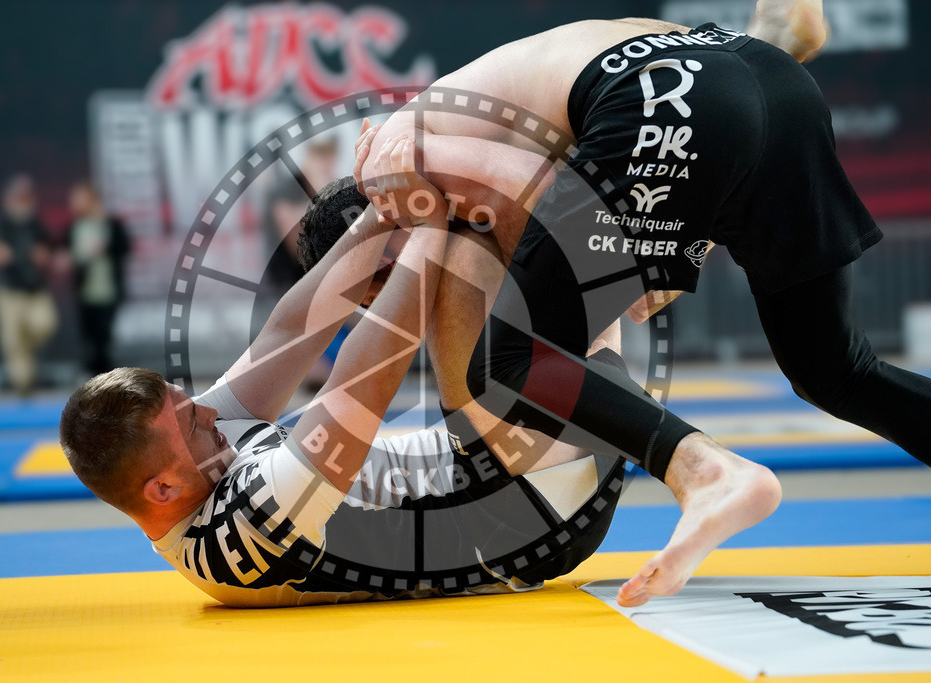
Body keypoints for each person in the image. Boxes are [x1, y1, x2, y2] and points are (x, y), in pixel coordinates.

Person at [304, 0, 931, 607]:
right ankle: (777, 37)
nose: (401, 311)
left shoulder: (399, 162)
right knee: (835, 372)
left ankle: (705, 473)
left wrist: (633, 261)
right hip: (762, 84)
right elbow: (625, 137)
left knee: (503, 365)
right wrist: (649, 255)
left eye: (382, 290)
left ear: (381, 230)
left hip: (666, 108)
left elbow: (549, 189)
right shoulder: (459, 114)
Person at [60, 139, 625, 608]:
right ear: (163, 489)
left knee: (558, 207)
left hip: (505, 459)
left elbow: (289, 332)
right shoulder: (242, 531)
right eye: (193, 426)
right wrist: (425, 221)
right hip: (532, 516)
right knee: (463, 244)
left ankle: (632, 264)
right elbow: (366, 380)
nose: (210, 412)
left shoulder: (189, 455)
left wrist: (379, 207)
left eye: (190, 402)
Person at [0, 173, 58, 396]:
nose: (24, 201)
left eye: (27, 196)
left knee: (45, 325)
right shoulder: (0, 224)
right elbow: (0, 253)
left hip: (35, 289)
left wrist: (44, 255)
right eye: (19, 196)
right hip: (9, 291)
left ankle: (25, 355)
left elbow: (47, 250)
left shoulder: (36, 224)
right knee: (12, 341)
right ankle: (23, 385)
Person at [64, 182, 131, 376]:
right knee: (89, 338)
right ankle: (94, 379)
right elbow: (63, 249)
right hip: (85, 291)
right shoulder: (75, 226)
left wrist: (106, 247)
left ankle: (105, 379)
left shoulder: (111, 224)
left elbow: (125, 246)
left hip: (108, 291)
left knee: (104, 338)